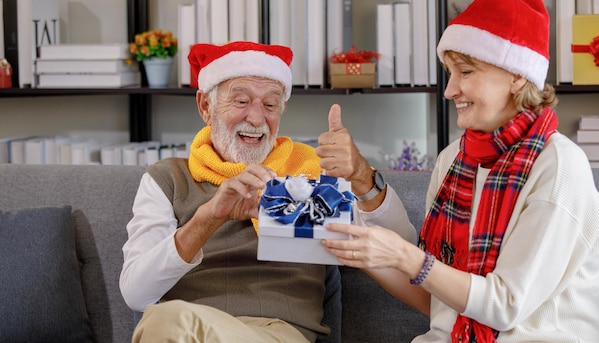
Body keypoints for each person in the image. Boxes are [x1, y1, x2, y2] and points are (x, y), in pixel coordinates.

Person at [322, 0, 599, 341]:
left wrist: (407, 257)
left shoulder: (559, 167)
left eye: (466, 71)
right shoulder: (453, 161)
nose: (449, 90)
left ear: (517, 75)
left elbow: (505, 305)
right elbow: (439, 300)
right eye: (450, 73)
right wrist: (357, 247)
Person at [119, 41, 417, 343]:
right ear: (205, 106)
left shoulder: (310, 173)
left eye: (270, 104)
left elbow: (403, 250)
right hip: (187, 330)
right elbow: (136, 292)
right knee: (166, 321)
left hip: (279, 332)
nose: (257, 119)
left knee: (164, 323)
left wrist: (361, 175)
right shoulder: (168, 178)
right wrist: (208, 218)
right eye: (241, 101)